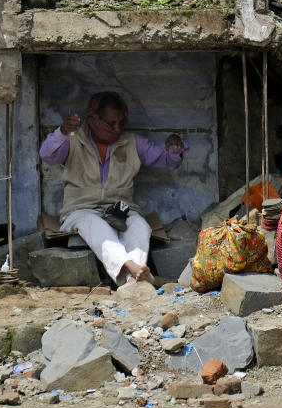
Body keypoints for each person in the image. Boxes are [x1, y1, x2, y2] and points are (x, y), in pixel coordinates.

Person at [39, 91, 186, 288]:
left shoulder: (131, 142)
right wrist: (62, 133)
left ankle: (133, 282)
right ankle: (131, 268)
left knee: (140, 226)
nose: (117, 128)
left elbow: (167, 160)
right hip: (80, 209)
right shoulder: (73, 139)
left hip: (120, 208)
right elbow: (47, 155)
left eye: (120, 123)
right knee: (97, 225)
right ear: (93, 119)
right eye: (111, 123)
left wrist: (174, 147)